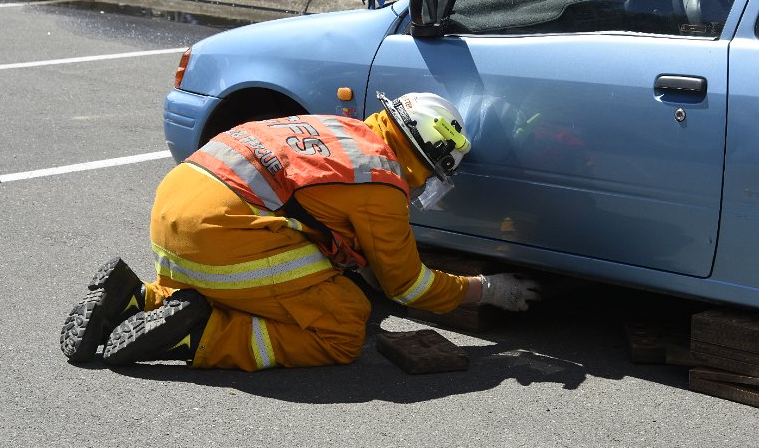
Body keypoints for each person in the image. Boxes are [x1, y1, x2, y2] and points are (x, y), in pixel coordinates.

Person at [60, 92, 541, 370]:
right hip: (221, 235)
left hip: (175, 210)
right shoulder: (383, 182)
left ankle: (136, 299)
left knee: (249, 281)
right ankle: (199, 338)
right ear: (429, 159)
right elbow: (407, 285)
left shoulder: (343, 130)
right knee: (345, 323)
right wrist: (487, 290)